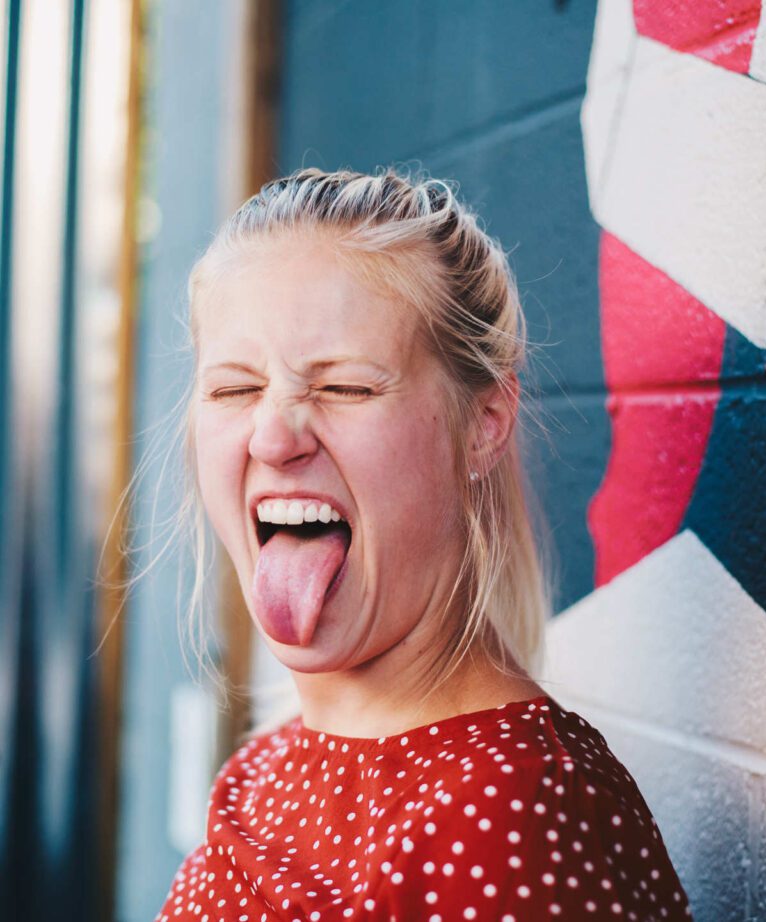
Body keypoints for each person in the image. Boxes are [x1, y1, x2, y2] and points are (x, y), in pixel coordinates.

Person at [154, 168, 691, 921]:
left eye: (345, 387)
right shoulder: (261, 768)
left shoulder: (519, 814)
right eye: (234, 389)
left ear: (485, 423)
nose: (273, 435)